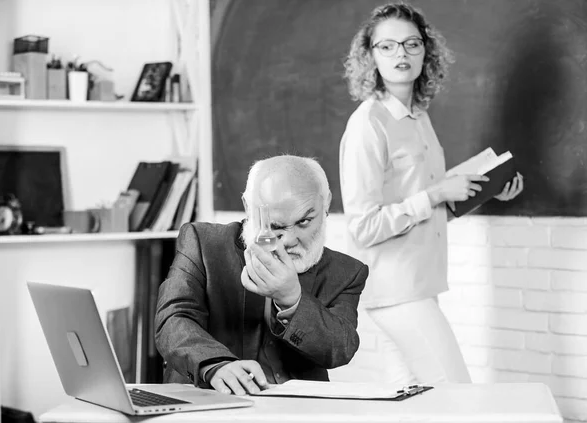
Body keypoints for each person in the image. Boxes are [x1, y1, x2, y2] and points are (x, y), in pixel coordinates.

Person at [339, 3, 523, 384]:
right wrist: (436, 193)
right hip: (396, 288)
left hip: (421, 283)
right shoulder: (368, 124)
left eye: (411, 44)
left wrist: (485, 190)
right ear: (369, 55)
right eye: (386, 46)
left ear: (427, 51)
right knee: (457, 392)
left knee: (411, 400)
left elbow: (431, 207)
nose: (401, 54)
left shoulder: (419, 117)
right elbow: (363, 227)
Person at [155, 155, 369, 395]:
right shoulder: (204, 243)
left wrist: (292, 298)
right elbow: (172, 320)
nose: (288, 241)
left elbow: (340, 348)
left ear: (326, 204)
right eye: (275, 227)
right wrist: (215, 365)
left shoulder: (346, 272)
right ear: (248, 207)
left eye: (305, 222)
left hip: (295, 411)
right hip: (210, 403)